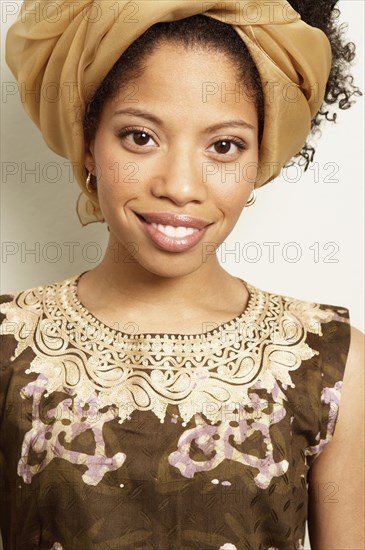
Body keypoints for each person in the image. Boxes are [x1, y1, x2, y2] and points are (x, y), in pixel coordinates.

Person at [0, 1, 364, 549]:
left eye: (223, 146)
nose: (181, 185)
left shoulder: (333, 367)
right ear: (88, 140)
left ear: (260, 157)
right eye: (141, 137)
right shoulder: (7, 348)